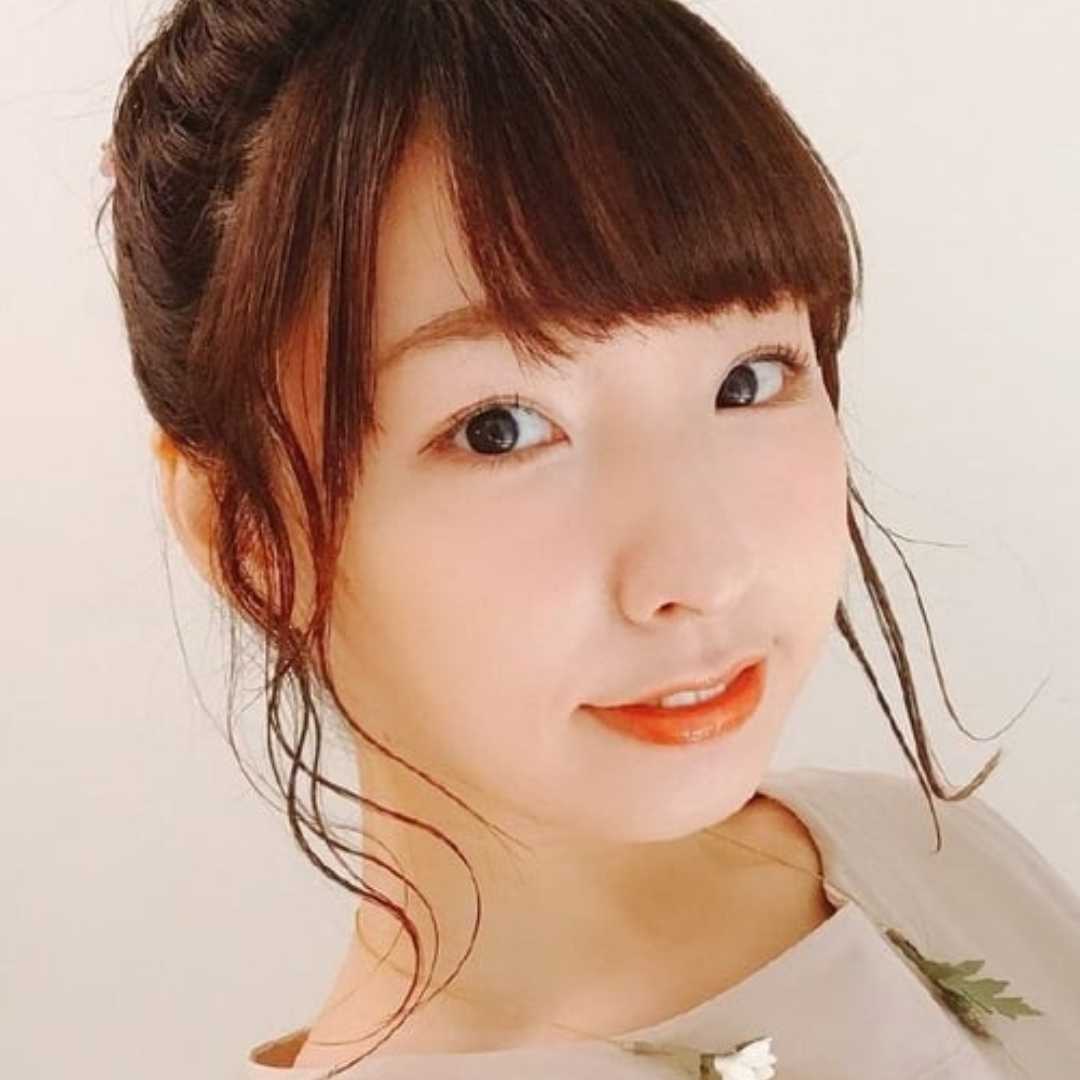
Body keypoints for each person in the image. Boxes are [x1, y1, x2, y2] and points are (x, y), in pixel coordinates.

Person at [97, 1, 1080, 1076]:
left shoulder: (923, 851)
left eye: (748, 379)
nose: (702, 573)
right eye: (501, 428)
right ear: (250, 538)